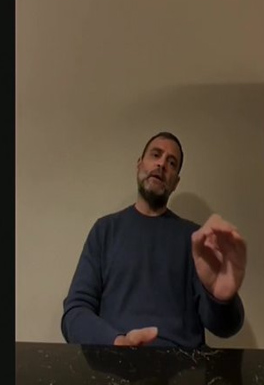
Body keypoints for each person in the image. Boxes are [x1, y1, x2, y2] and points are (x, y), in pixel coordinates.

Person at [61, 132, 246, 348]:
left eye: (172, 163)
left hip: (183, 364)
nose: (161, 164)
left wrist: (222, 299)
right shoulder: (105, 230)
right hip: (115, 360)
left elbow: (226, 327)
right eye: (156, 155)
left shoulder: (196, 241)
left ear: (175, 182)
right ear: (139, 164)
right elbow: (75, 312)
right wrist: (117, 343)